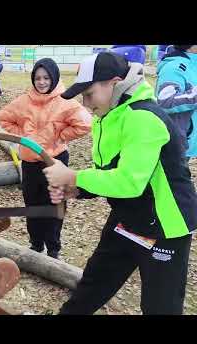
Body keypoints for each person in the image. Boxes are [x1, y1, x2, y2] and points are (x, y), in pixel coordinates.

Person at [43, 52, 197, 314]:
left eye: (89, 94)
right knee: (95, 282)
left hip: (164, 228)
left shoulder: (143, 118)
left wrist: (74, 176)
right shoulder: (110, 115)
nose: (86, 103)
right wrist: (78, 189)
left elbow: (129, 182)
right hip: (128, 217)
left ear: (113, 83)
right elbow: (109, 170)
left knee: (161, 305)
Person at [0, 58, 91, 259]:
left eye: (46, 77)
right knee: (32, 204)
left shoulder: (64, 101)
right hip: (30, 163)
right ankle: (36, 244)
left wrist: (60, 135)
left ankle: (53, 248)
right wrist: (22, 134)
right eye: (37, 78)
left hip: (54, 161)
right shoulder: (24, 101)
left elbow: (84, 124)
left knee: (54, 204)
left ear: (54, 78)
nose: (41, 82)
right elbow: (3, 118)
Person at [156, 45, 197, 158]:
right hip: (175, 145)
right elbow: (165, 101)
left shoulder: (193, 64)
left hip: (187, 145)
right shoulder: (174, 67)